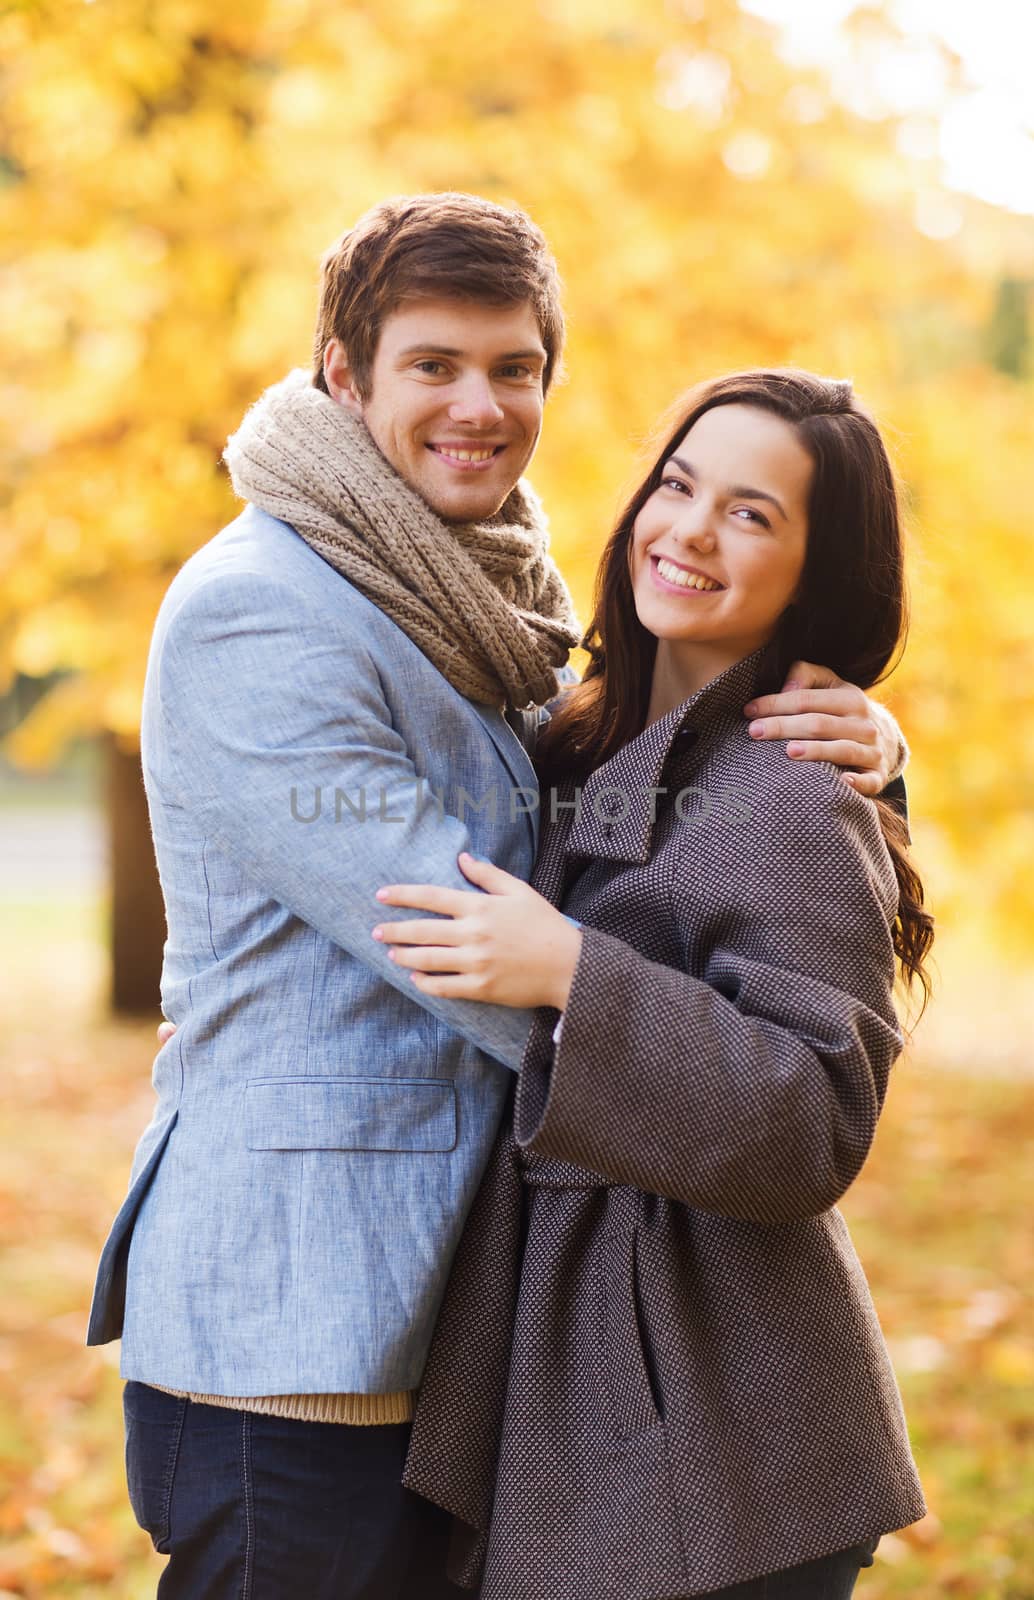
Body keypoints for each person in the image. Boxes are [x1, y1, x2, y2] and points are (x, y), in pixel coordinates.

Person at [86, 188, 910, 1600]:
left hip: (476, 1344)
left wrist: (861, 767)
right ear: (341, 374)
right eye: (432, 364)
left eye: (513, 368)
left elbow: (640, 829)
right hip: (309, 1329)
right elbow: (466, 934)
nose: (480, 405)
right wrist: (608, 974)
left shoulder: (479, 614)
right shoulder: (265, 608)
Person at [376, 370, 932, 1599]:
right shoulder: (584, 741)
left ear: (816, 573)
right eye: (675, 487)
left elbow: (812, 1115)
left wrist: (576, 974)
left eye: (749, 515)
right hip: (591, 1375)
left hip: (721, 1415)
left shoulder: (792, 789)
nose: (685, 530)